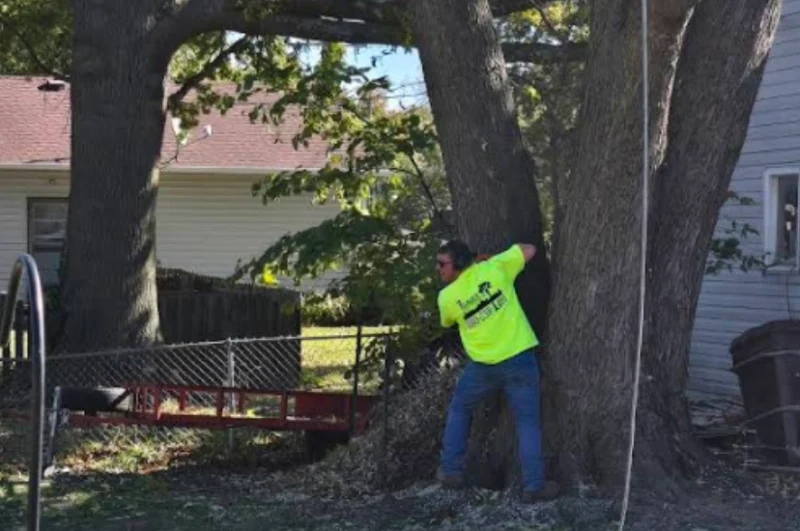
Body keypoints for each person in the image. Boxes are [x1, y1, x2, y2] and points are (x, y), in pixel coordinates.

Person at [435, 239, 559, 502]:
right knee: (527, 423)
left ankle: (451, 471)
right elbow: (530, 249)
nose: (438, 269)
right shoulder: (495, 268)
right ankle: (534, 486)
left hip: (483, 368)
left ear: (458, 264)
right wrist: (489, 258)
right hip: (519, 360)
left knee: (460, 408)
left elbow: (447, 320)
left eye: (442, 264)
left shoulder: (446, 298)